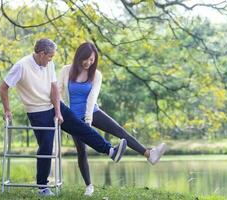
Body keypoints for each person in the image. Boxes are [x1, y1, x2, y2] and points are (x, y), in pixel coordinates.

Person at [0, 39, 127, 197]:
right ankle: (42, 187)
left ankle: (110, 150)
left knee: (81, 127)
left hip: (55, 105)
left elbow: (54, 88)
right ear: (41, 54)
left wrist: (59, 111)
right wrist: (7, 109)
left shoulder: (49, 64)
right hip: (37, 111)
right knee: (46, 147)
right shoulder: (21, 66)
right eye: (50, 57)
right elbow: (4, 87)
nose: (51, 60)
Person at [58, 42, 167, 196]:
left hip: (92, 111)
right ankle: (89, 187)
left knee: (120, 131)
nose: (89, 63)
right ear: (79, 57)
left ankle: (149, 154)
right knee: (81, 151)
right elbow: (59, 93)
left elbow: (92, 97)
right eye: (87, 59)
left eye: (92, 60)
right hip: (73, 117)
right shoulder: (66, 71)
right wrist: (64, 115)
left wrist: (88, 120)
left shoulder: (96, 74)